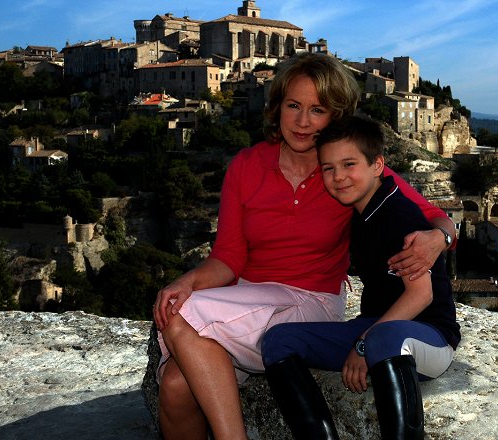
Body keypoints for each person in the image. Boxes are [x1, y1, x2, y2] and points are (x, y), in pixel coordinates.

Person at [153, 53, 457, 440]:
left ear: (336, 117)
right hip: (247, 300)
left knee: (184, 316)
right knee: (177, 387)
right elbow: (228, 257)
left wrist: (439, 238)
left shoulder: (345, 170)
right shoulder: (246, 166)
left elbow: (432, 215)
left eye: (317, 110)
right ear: (277, 106)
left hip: (310, 302)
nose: (302, 121)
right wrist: (190, 281)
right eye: (293, 106)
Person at [261, 116, 461, 440]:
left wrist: (364, 343)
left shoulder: (398, 215)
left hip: (427, 337)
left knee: (384, 338)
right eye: (328, 168)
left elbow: (420, 295)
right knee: (277, 341)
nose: (338, 177)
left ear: (378, 165)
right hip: (375, 326)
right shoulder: (361, 213)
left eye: (349, 164)